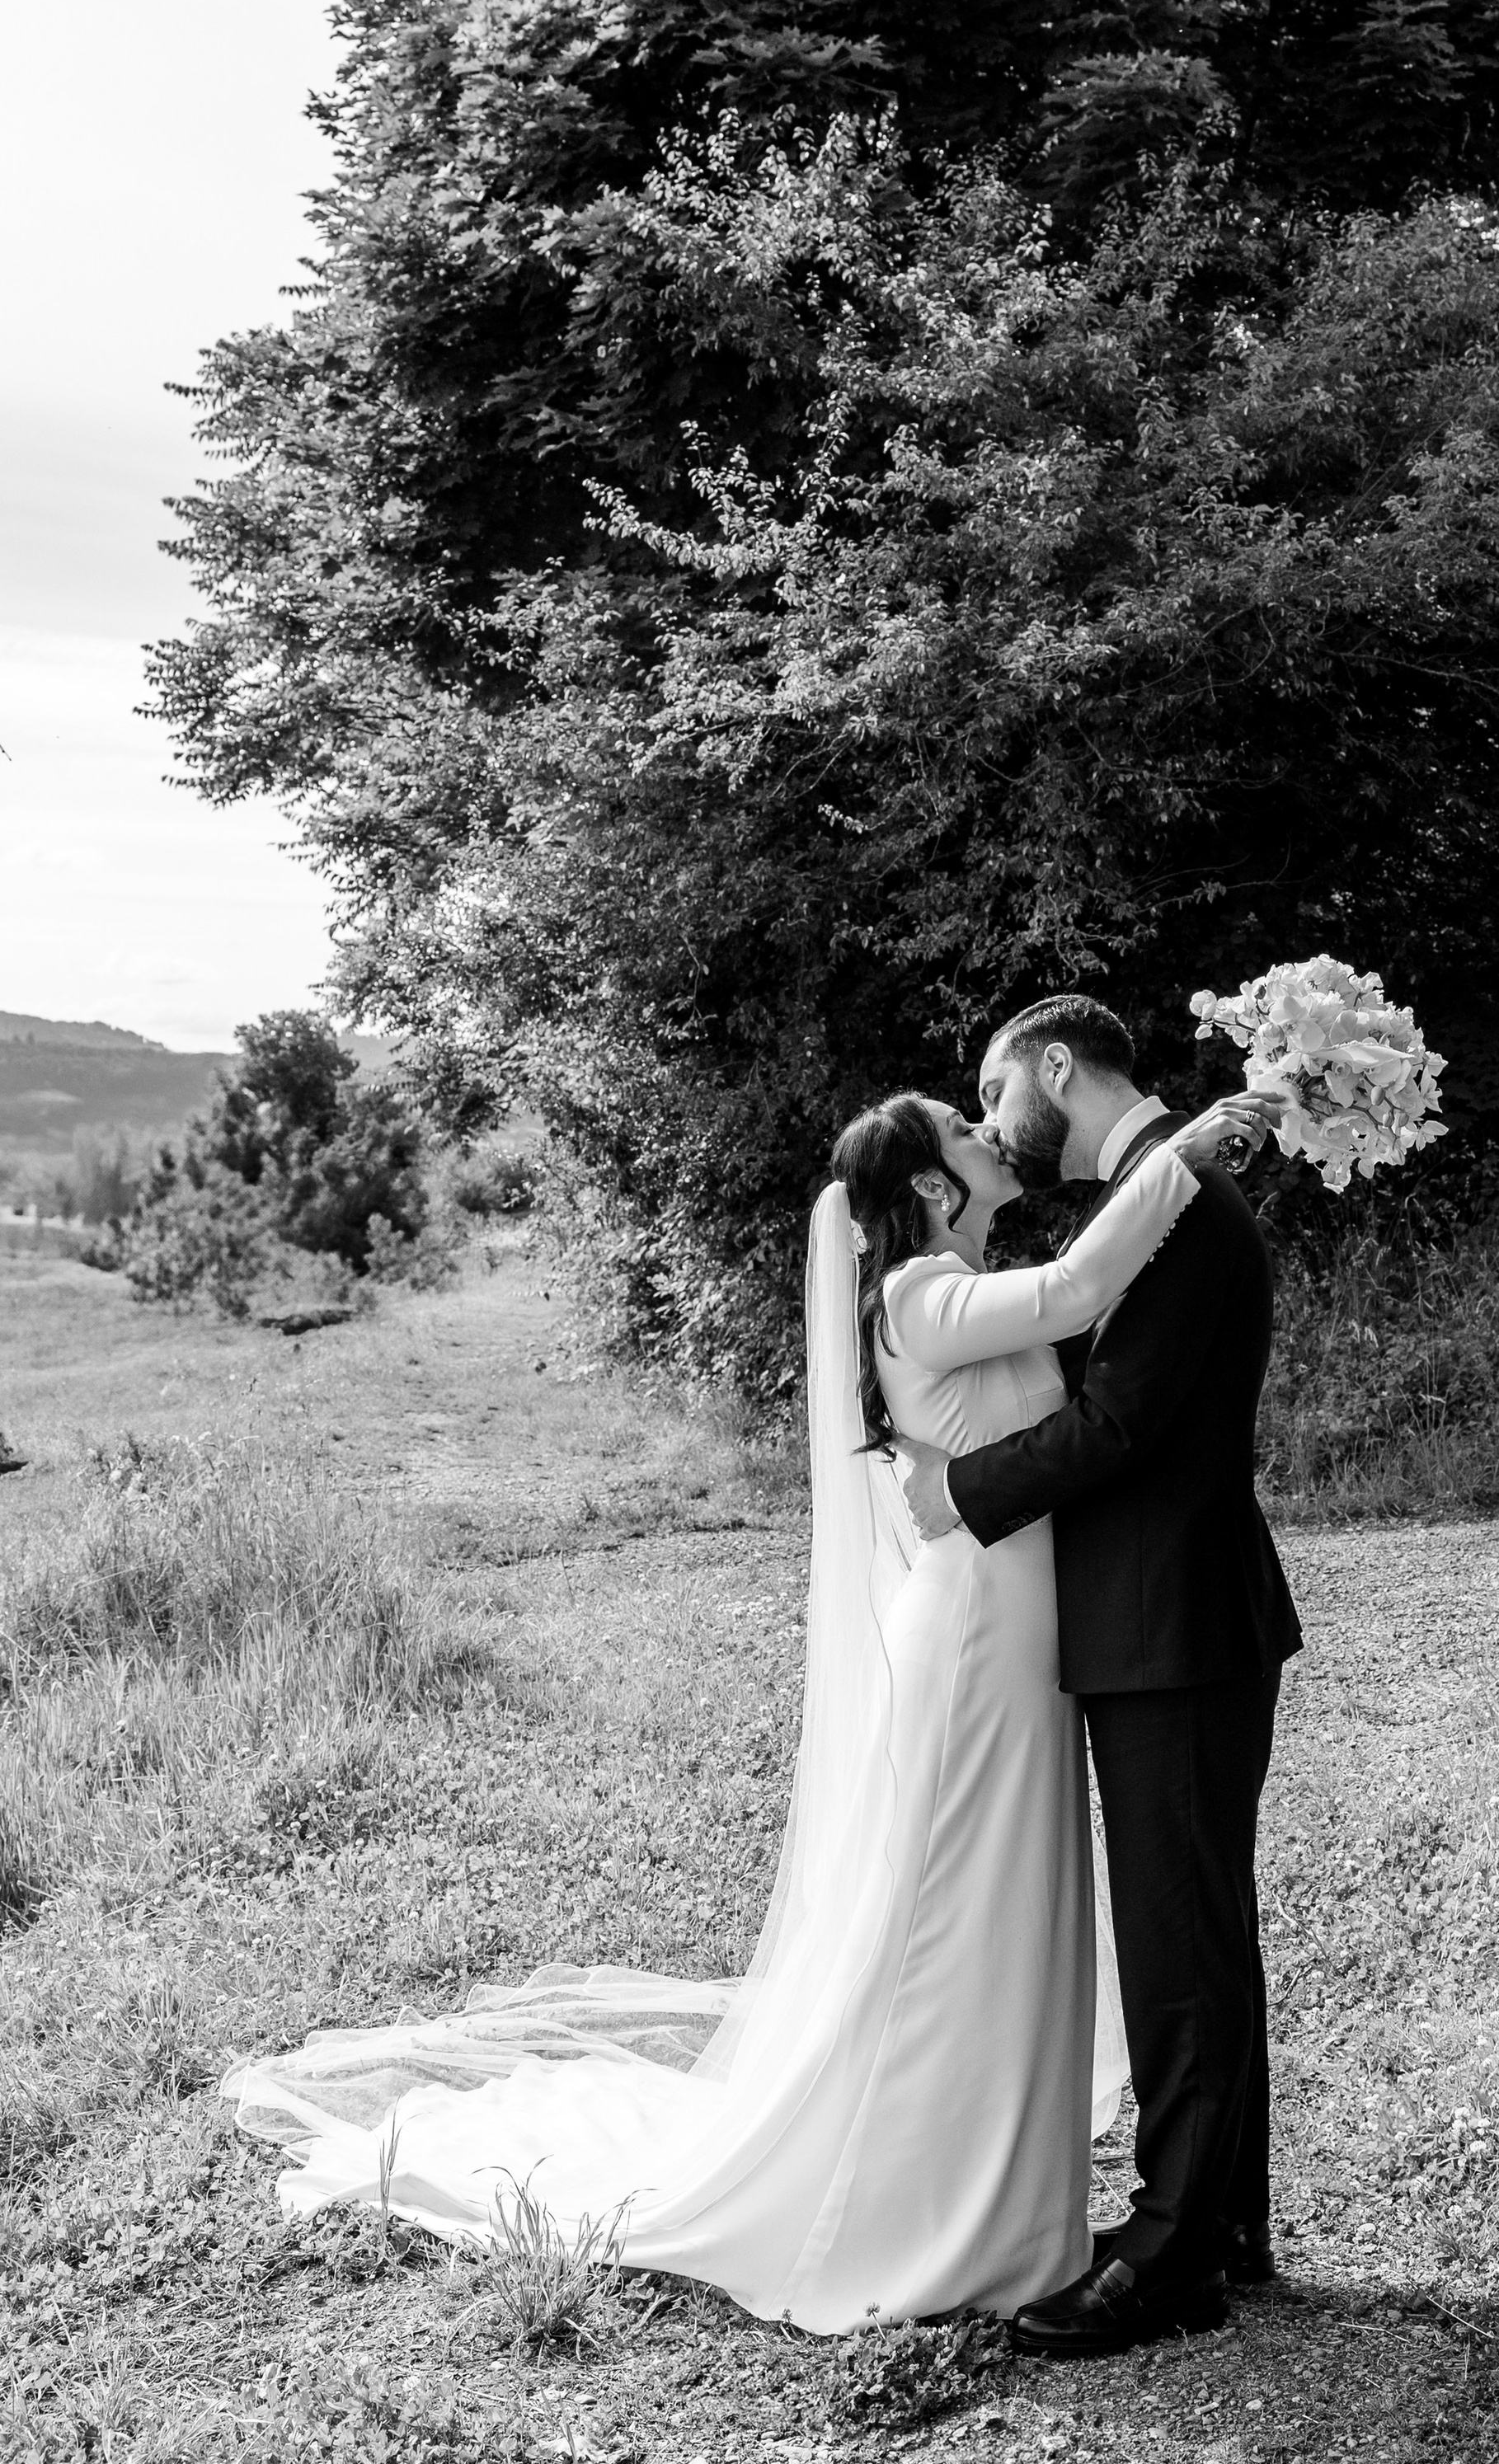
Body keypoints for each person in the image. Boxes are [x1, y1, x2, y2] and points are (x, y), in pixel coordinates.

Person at [220, 1077, 1276, 2332]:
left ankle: (1010, 2199)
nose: (989, 1129)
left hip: (1029, 1642)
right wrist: (1182, 1154)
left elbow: (1077, 1345)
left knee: (1015, 1909)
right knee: (951, 1908)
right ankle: (919, 2208)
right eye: (964, 1126)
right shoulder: (919, 1294)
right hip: (975, 1640)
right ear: (930, 1184)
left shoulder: (968, 1279)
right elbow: (1077, 1293)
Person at [900, 994, 1302, 2356]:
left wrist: (959, 1493)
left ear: (1055, 1068)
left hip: (1171, 1621)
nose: (989, 1115)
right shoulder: (1153, 1195)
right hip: (1164, 1619)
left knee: (1177, 1941)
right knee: (1198, 1928)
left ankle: (1174, 2254)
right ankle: (1224, 2223)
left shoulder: (1178, 1206)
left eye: (992, 1087)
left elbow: (1118, 1424)